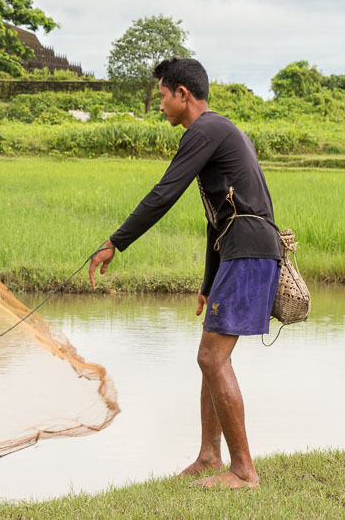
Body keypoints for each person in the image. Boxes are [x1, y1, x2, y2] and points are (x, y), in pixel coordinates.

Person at [88, 57, 282, 489]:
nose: (158, 105)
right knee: (211, 358)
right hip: (239, 250)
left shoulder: (205, 130)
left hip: (249, 251)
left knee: (211, 358)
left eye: (161, 95)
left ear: (183, 95)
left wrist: (114, 242)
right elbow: (218, 218)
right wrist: (208, 283)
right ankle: (210, 455)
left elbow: (164, 193)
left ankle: (244, 471)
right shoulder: (218, 131)